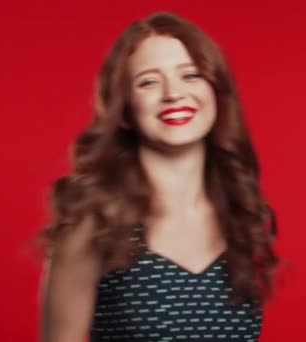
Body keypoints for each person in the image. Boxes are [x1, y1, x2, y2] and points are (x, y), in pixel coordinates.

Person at [37, 11, 280, 342]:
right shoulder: (94, 223)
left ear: (216, 91)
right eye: (148, 81)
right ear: (123, 109)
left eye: (190, 75)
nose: (173, 93)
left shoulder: (238, 218)